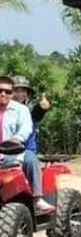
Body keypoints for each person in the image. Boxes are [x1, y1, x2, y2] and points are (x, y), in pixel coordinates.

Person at [0, 75, 53, 213]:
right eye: (18, 90)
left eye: (8, 91)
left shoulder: (22, 110)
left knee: (30, 159)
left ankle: (38, 198)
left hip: (17, 151)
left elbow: (28, 124)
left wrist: (17, 139)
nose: (3, 94)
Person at [12, 76, 51, 154]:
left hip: (27, 151)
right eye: (16, 90)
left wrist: (42, 108)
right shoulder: (4, 111)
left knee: (30, 160)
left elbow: (36, 114)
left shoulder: (28, 111)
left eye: (23, 91)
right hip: (5, 152)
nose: (20, 94)